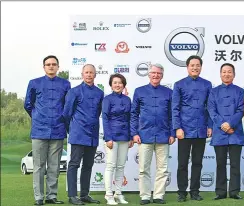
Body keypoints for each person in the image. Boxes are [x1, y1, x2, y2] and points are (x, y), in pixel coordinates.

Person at [24, 55, 70, 205]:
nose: (51, 66)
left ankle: (52, 196)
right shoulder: (34, 83)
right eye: (48, 64)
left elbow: (67, 106)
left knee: (54, 166)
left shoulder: (65, 84)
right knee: (38, 166)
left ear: (58, 67)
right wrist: (37, 116)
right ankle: (38, 197)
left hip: (58, 129)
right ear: (43, 67)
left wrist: (61, 120)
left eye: (54, 64)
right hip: (39, 130)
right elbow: (27, 104)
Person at [131, 64, 175, 205]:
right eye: (153, 73)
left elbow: (172, 115)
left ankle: (158, 195)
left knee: (162, 169)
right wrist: (134, 133)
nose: (156, 75)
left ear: (162, 75)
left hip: (163, 135)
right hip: (144, 135)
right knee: (144, 168)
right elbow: (134, 114)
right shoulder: (139, 91)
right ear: (148, 74)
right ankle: (144, 196)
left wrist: (172, 133)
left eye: (158, 73)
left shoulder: (169, 92)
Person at [172, 55, 213, 202]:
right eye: (192, 65)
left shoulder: (207, 84)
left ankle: (195, 191)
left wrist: (210, 125)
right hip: (184, 130)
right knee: (182, 163)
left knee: (197, 162)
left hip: (201, 129)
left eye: (197, 65)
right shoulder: (179, 85)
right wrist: (177, 127)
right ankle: (182, 192)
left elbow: (210, 107)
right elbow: (175, 108)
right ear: (187, 67)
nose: (195, 68)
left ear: (201, 67)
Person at [63, 64, 104, 205]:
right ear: (82, 74)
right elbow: (66, 114)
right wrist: (73, 130)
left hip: (92, 135)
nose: (88, 75)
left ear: (95, 74)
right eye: (86, 72)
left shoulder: (99, 93)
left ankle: (85, 194)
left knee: (88, 165)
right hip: (78, 134)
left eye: (91, 72)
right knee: (74, 164)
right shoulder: (74, 91)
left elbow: (98, 113)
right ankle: (72, 196)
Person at [207, 63, 244, 200]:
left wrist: (230, 124)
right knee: (220, 163)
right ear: (220, 74)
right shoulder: (214, 91)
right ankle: (220, 192)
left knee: (235, 164)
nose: (226, 74)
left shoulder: (240, 91)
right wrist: (223, 125)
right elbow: (211, 110)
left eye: (229, 72)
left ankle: (234, 192)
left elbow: (241, 109)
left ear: (234, 74)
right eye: (224, 72)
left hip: (235, 132)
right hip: (219, 133)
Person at [102, 73, 134, 205]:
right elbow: (104, 118)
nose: (117, 85)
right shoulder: (107, 99)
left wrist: (131, 136)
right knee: (110, 166)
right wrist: (108, 138)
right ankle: (108, 195)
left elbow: (131, 118)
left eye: (120, 83)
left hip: (125, 136)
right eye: (115, 82)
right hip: (112, 137)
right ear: (111, 85)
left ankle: (118, 193)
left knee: (121, 166)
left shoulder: (127, 100)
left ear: (123, 85)